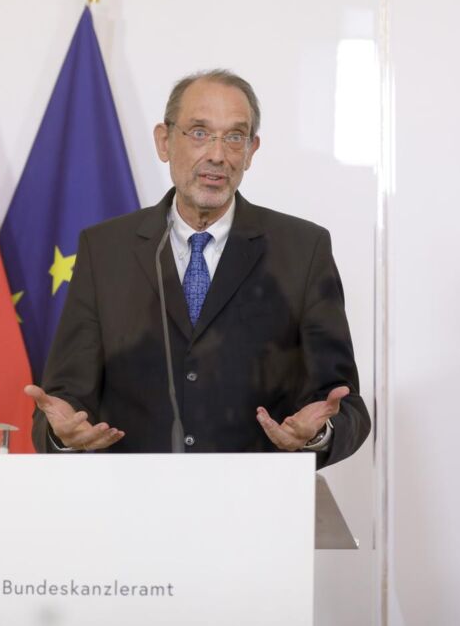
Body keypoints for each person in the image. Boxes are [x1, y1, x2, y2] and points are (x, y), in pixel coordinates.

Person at [24, 69, 370, 466]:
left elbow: (345, 406)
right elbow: (64, 399)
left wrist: (318, 434)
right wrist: (62, 435)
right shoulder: (105, 250)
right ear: (164, 141)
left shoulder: (302, 249)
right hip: (132, 496)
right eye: (200, 133)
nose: (218, 155)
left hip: (255, 496)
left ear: (251, 151)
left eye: (235, 137)